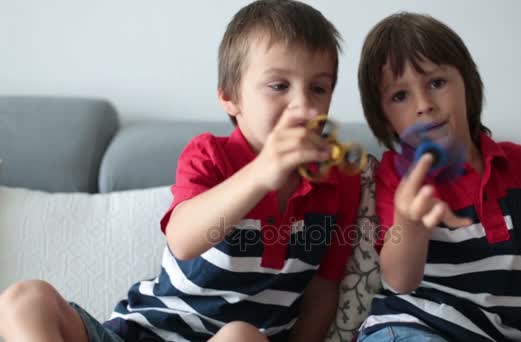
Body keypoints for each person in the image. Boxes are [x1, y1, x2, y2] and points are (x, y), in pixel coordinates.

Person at [0, 1, 360, 341]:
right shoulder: (210, 156)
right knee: (26, 299)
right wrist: (260, 174)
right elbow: (182, 239)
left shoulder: (338, 180)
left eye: (318, 88)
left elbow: (323, 290)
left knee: (242, 335)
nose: (304, 105)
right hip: (141, 332)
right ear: (230, 97)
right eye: (279, 86)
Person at [355, 12, 521, 341]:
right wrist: (409, 221)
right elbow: (400, 280)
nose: (424, 105)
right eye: (400, 96)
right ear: (386, 120)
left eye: (436, 83)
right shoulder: (396, 175)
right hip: (409, 327)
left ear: (468, 88)